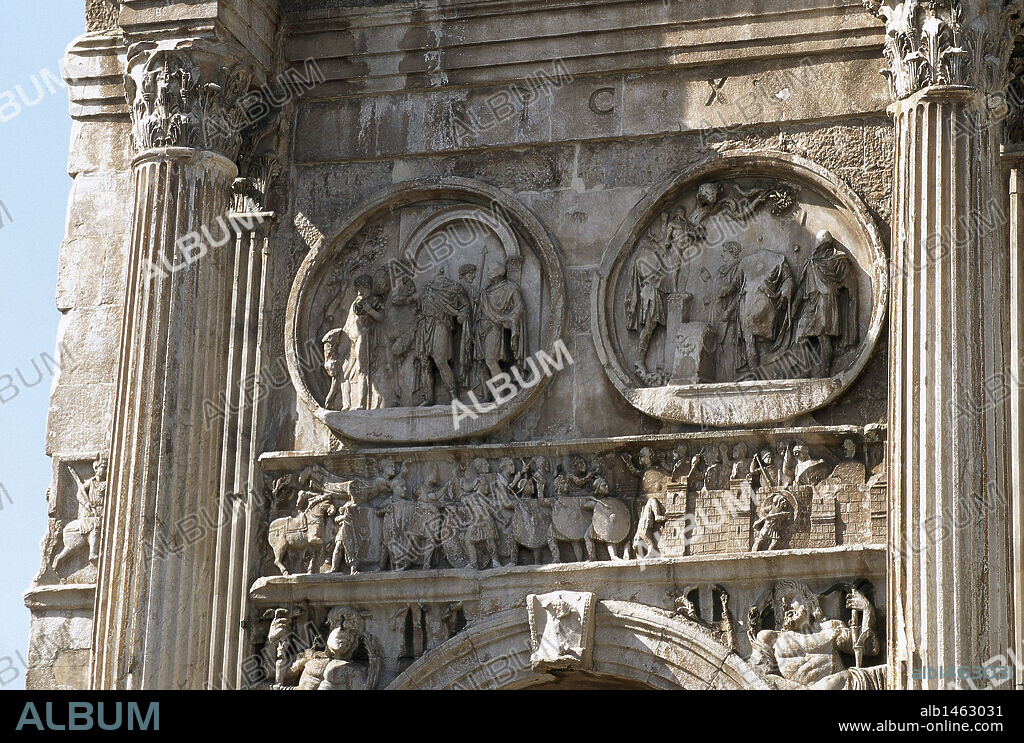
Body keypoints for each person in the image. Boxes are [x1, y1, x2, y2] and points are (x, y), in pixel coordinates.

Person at [794, 230, 857, 377]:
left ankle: (824, 372)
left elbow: (849, 283)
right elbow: (803, 287)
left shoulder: (837, 260)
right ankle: (805, 371)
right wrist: (795, 306)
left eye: (821, 244)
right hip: (812, 301)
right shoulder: (811, 262)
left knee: (824, 337)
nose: (819, 247)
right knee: (800, 335)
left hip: (827, 301)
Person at [339, 273, 384, 410]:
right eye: (358, 288)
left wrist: (369, 310)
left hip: (364, 338)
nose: (359, 292)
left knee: (361, 369)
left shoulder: (376, 300)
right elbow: (349, 322)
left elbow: (381, 317)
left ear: (367, 287)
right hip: (352, 339)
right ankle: (346, 403)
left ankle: (362, 404)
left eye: (361, 288)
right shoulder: (355, 303)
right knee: (345, 372)